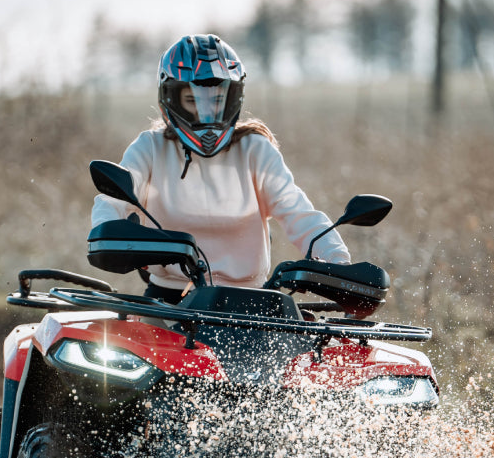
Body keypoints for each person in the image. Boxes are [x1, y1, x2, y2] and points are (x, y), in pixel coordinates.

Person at [91, 33, 351, 303]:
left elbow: (300, 214)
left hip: (249, 303)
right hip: (168, 303)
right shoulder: (150, 148)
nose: (207, 113)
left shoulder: (255, 149)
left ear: (233, 98)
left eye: (216, 101)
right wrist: (109, 229)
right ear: (170, 99)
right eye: (192, 101)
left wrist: (339, 264)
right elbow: (112, 202)